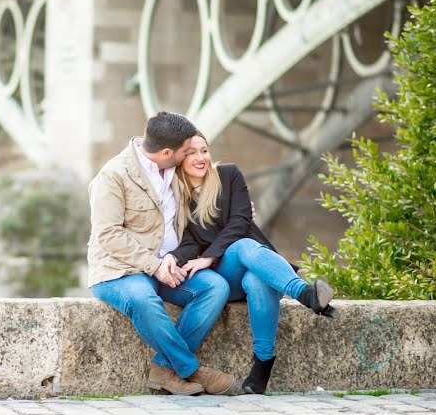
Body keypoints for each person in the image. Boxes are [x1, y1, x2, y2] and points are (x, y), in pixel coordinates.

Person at [168, 131, 338, 395]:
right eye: (192, 152)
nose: (201, 157)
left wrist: (208, 253)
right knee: (243, 246)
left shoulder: (228, 175)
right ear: (180, 158)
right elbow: (189, 242)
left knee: (257, 279)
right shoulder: (176, 197)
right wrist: (201, 258)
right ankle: (304, 293)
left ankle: (262, 364)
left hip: (255, 266)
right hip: (223, 274)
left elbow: (240, 220)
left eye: (204, 150)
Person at [88, 112, 235, 396]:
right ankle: (190, 369)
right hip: (120, 270)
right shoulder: (114, 175)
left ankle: (162, 369)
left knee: (216, 287)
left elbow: (202, 209)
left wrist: (236, 210)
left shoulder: (175, 171)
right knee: (143, 299)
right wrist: (153, 266)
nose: (189, 156)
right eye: (185, 151)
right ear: (167, 152)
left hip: (168, 267)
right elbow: (108, 235)